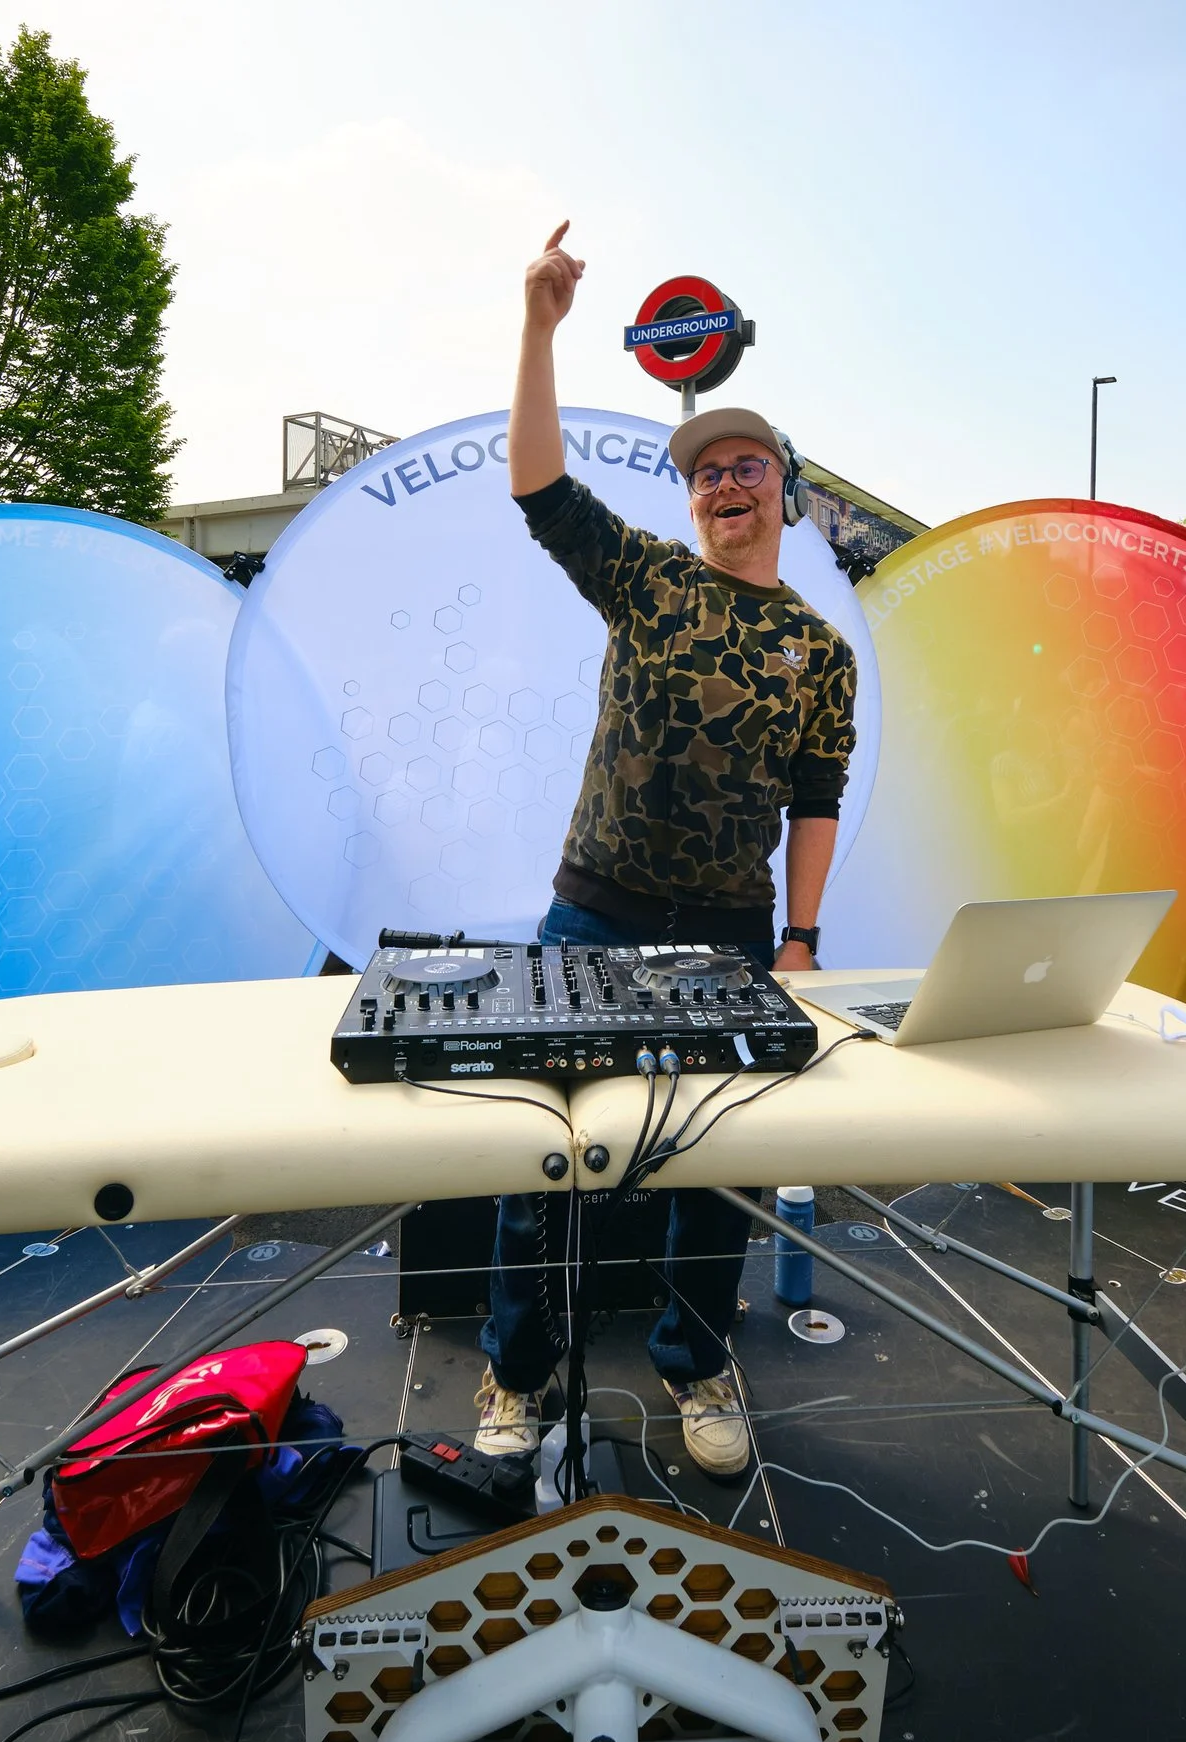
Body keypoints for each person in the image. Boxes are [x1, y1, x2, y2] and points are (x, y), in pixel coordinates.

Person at [472, 222, 858, 1481]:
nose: (722, 484)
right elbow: (537, 484)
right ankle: (516, 1373)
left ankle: (696, 1364)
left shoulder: (820, 652)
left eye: (746, 466)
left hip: (729, 939)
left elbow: (816, 795)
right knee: (542, 1155)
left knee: (711, 1172)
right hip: (587, 918)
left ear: (783, 494)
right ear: (688, 499)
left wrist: (799, 938)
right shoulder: (642, 578)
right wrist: (538, 327)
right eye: (704, 473)